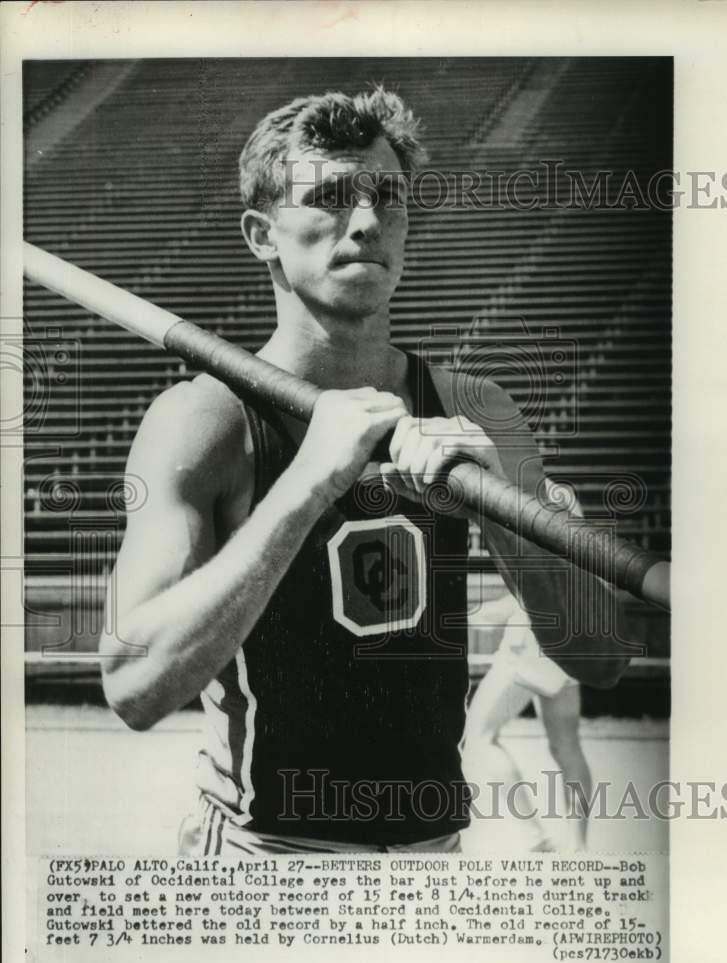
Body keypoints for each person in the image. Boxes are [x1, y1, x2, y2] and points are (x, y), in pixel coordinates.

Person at [99, 87, 629, 855]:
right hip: (264, 860)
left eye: (389, 197)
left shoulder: (474, 409)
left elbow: (603, 655)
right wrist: (309, 481)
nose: (369, 222)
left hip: (431, 864)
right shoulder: (205, 421)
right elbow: (132, 684)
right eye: (331, 198)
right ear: (262, 235)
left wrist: (507, 512)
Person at [464, 589, 593, 853]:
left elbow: (533, 589)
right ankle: (578, 849)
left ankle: (536, 840)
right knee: (566, 746)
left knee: (478, 739)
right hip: (570, 640)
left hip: (529, 646)